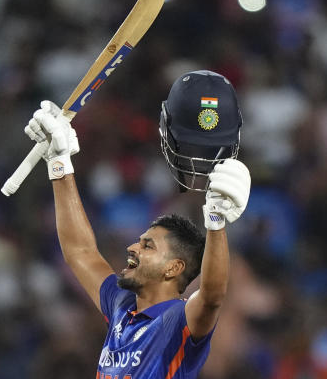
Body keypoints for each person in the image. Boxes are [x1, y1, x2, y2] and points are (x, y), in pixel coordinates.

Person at [24, 70, 251, 378]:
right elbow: (81, 252)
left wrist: (216, 221)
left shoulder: (176, 321)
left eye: (147, 245)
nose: (133, 246)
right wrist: (59, 162)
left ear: (173, 268)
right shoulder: (122, 307)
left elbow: (211, 296)